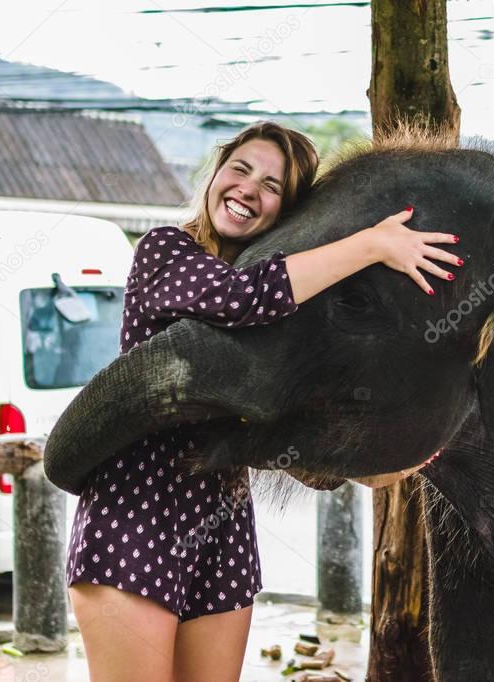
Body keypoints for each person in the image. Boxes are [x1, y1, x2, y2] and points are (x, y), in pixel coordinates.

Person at [66, 121, 462, 682]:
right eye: (241, 169)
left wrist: (375, 459)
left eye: (272, 186)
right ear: (215, 174)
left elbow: (294, 417)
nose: (250, 188)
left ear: (286, 213)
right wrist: (373, 243)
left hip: (221, 527)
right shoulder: (166, 250)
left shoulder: (284, 314)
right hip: (136, 512)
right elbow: (241, 297)